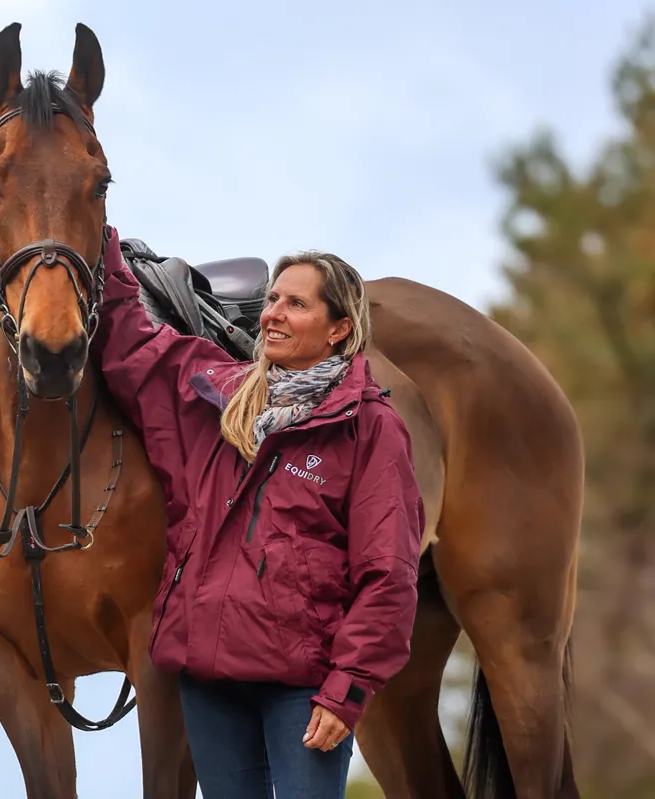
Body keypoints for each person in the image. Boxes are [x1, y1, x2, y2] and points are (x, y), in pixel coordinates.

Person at [91, 228, 424, 799]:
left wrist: (347, 689)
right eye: (272, 300)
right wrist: (96, 235)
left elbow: (388, 575)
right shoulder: (212, 393)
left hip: (303, 692)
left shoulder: (369, 428)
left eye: (296, 304)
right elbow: (132, 345)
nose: (273, 314)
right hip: (210, 684)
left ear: (339, 327)